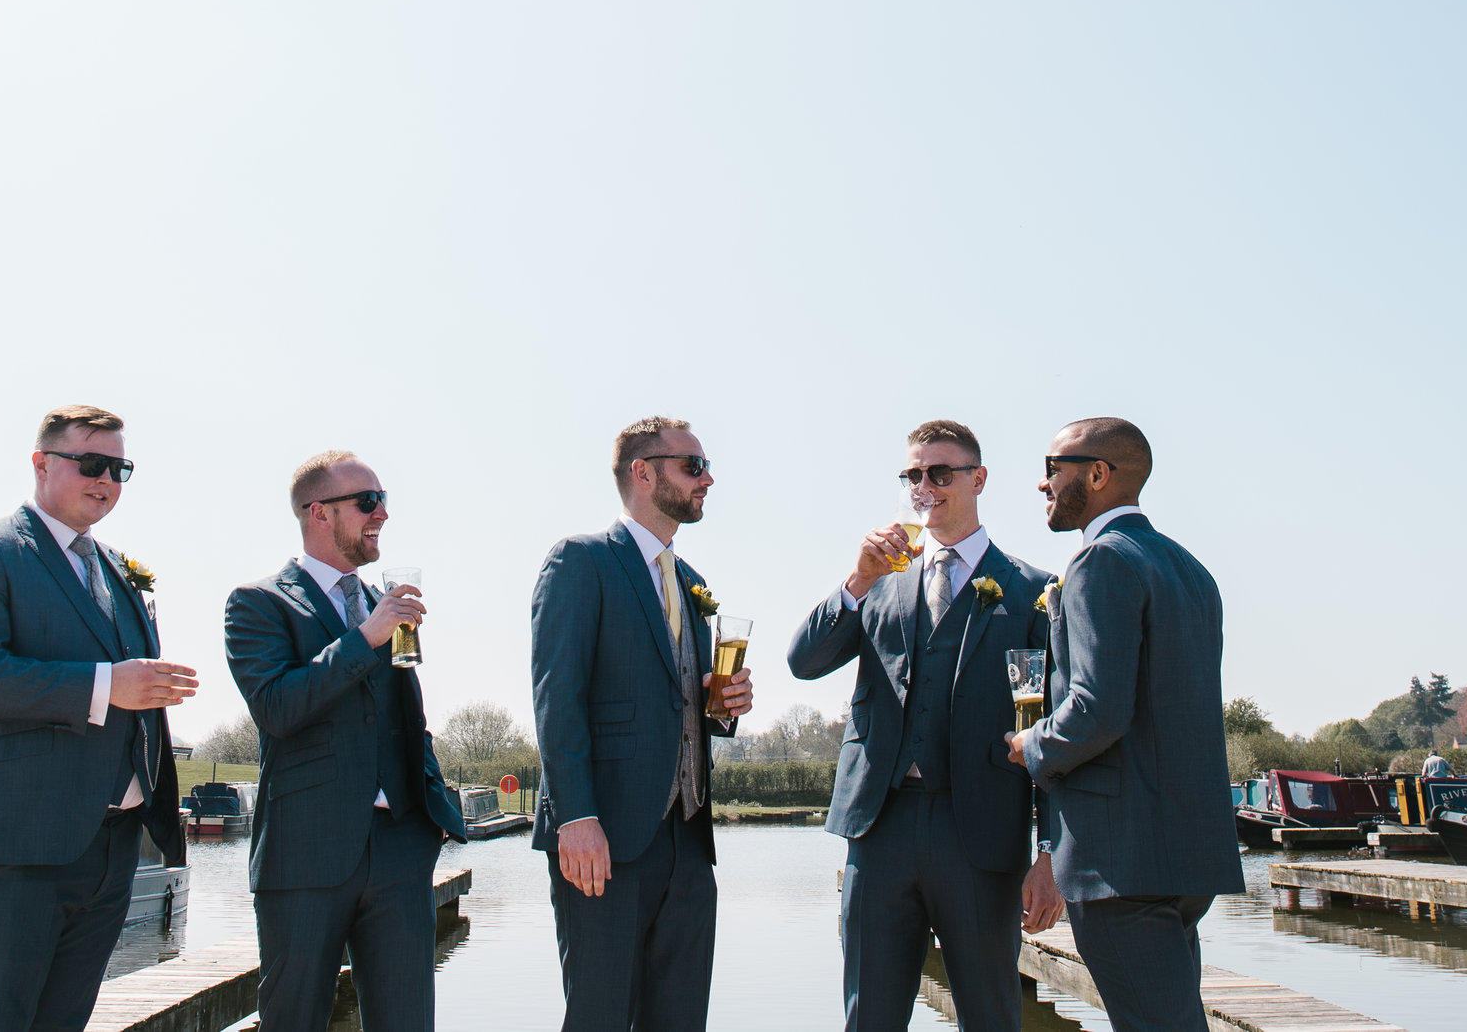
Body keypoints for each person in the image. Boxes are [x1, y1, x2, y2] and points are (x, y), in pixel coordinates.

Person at [0, 405, 198, 1032]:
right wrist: (107, 684)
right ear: (42, 464)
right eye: (92, 464)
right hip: (15, 843)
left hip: (111, 846)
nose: (107, 480)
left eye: (120, 468)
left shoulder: (121, 571)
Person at [788, 420, 1055, 1032]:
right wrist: (858, 580)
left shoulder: (1033, 591)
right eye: (913, 475)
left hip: (982, 832)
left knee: (991, 1015)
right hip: (879, 827)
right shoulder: (879, 580)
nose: (924, 486)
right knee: (870, 1017)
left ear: (978, 479)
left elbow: (1051, 734)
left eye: (940, 473)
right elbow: (804, 662)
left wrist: (1050, 853)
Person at [1006, 416, 1241, 1032]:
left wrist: (1032, 743)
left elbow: (1098, 707)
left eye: (1052, 467)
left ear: (1098, 474)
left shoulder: (1098, 563)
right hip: (1186, 853)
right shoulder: (1190, 569)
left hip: (1120, 863)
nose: (1042, 483)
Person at [223, 451, 469, 1032]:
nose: (381, 512)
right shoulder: (258, 603)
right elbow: (278, 708)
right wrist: (365, 637)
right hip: (305, 852)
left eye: (383, 500)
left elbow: (405, 717)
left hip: (400, 851)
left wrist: (426, 820)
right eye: (367, 502)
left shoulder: (382, 603)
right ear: (319, 513)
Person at [529, 416, 755, 1032]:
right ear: (643, 472)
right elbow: (557, 697)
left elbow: (674, 702)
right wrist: (576, 817)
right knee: (599, 1018)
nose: (708, 478)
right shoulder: (580, 561)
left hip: (687, 841)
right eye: (694, 466)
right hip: (602, 840)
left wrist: (718, 703)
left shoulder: (693, 583)